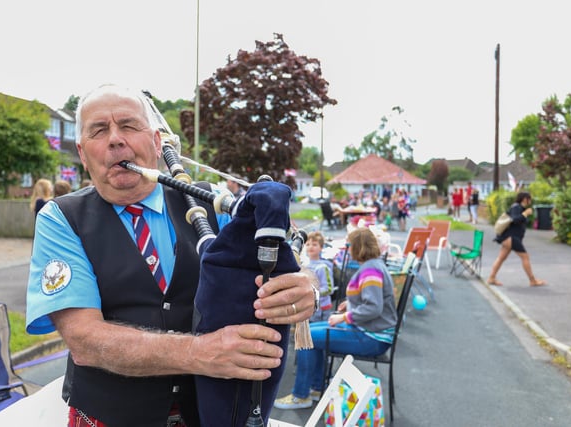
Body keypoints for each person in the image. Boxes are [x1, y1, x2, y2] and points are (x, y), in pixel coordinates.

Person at [25, 84, 317, 427]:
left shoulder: (211, 202)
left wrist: (304, 286)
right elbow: (85, 339)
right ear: (83, 152)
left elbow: (288, 249)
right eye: (99, 130)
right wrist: (201, 353)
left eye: (129, 125)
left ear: (156, 142)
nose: (116, 139)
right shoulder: (61, 218)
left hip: (208, 415)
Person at [275, 227, 397, 410]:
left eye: (349, 245)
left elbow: (374, 307)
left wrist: (344, 317)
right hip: (370, 331)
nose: (347, 249)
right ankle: (316, 387)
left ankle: (301, 395)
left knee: (306, 337)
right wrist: (350, 304)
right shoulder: (374, 266)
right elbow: (373, 299)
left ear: (358, 247)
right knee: (309, 333)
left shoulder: (370, 271)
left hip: (372, 338)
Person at [274, 231, 335, 409]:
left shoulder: (323, 267)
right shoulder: (306, 264)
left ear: (321, 248)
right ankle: (317, 386)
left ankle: (304, 393)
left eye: (314, 245)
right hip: (308, 313)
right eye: (308, 244)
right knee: (313, 346)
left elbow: (329, 288)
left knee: (309, 344)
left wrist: (311, 291)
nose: (310, 247)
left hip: (319, 313)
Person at [487, 192, 546, 287]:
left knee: (501, 258)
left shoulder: (520, 208)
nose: (530, 201)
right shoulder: (516, 207)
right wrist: (525, 214)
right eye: (529, 199)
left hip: (509, 238)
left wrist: (525, 214)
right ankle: (532, 280)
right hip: (512, 238)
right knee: (525, 257)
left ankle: (491, 278)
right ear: (524, 199)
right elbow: (515, 219)